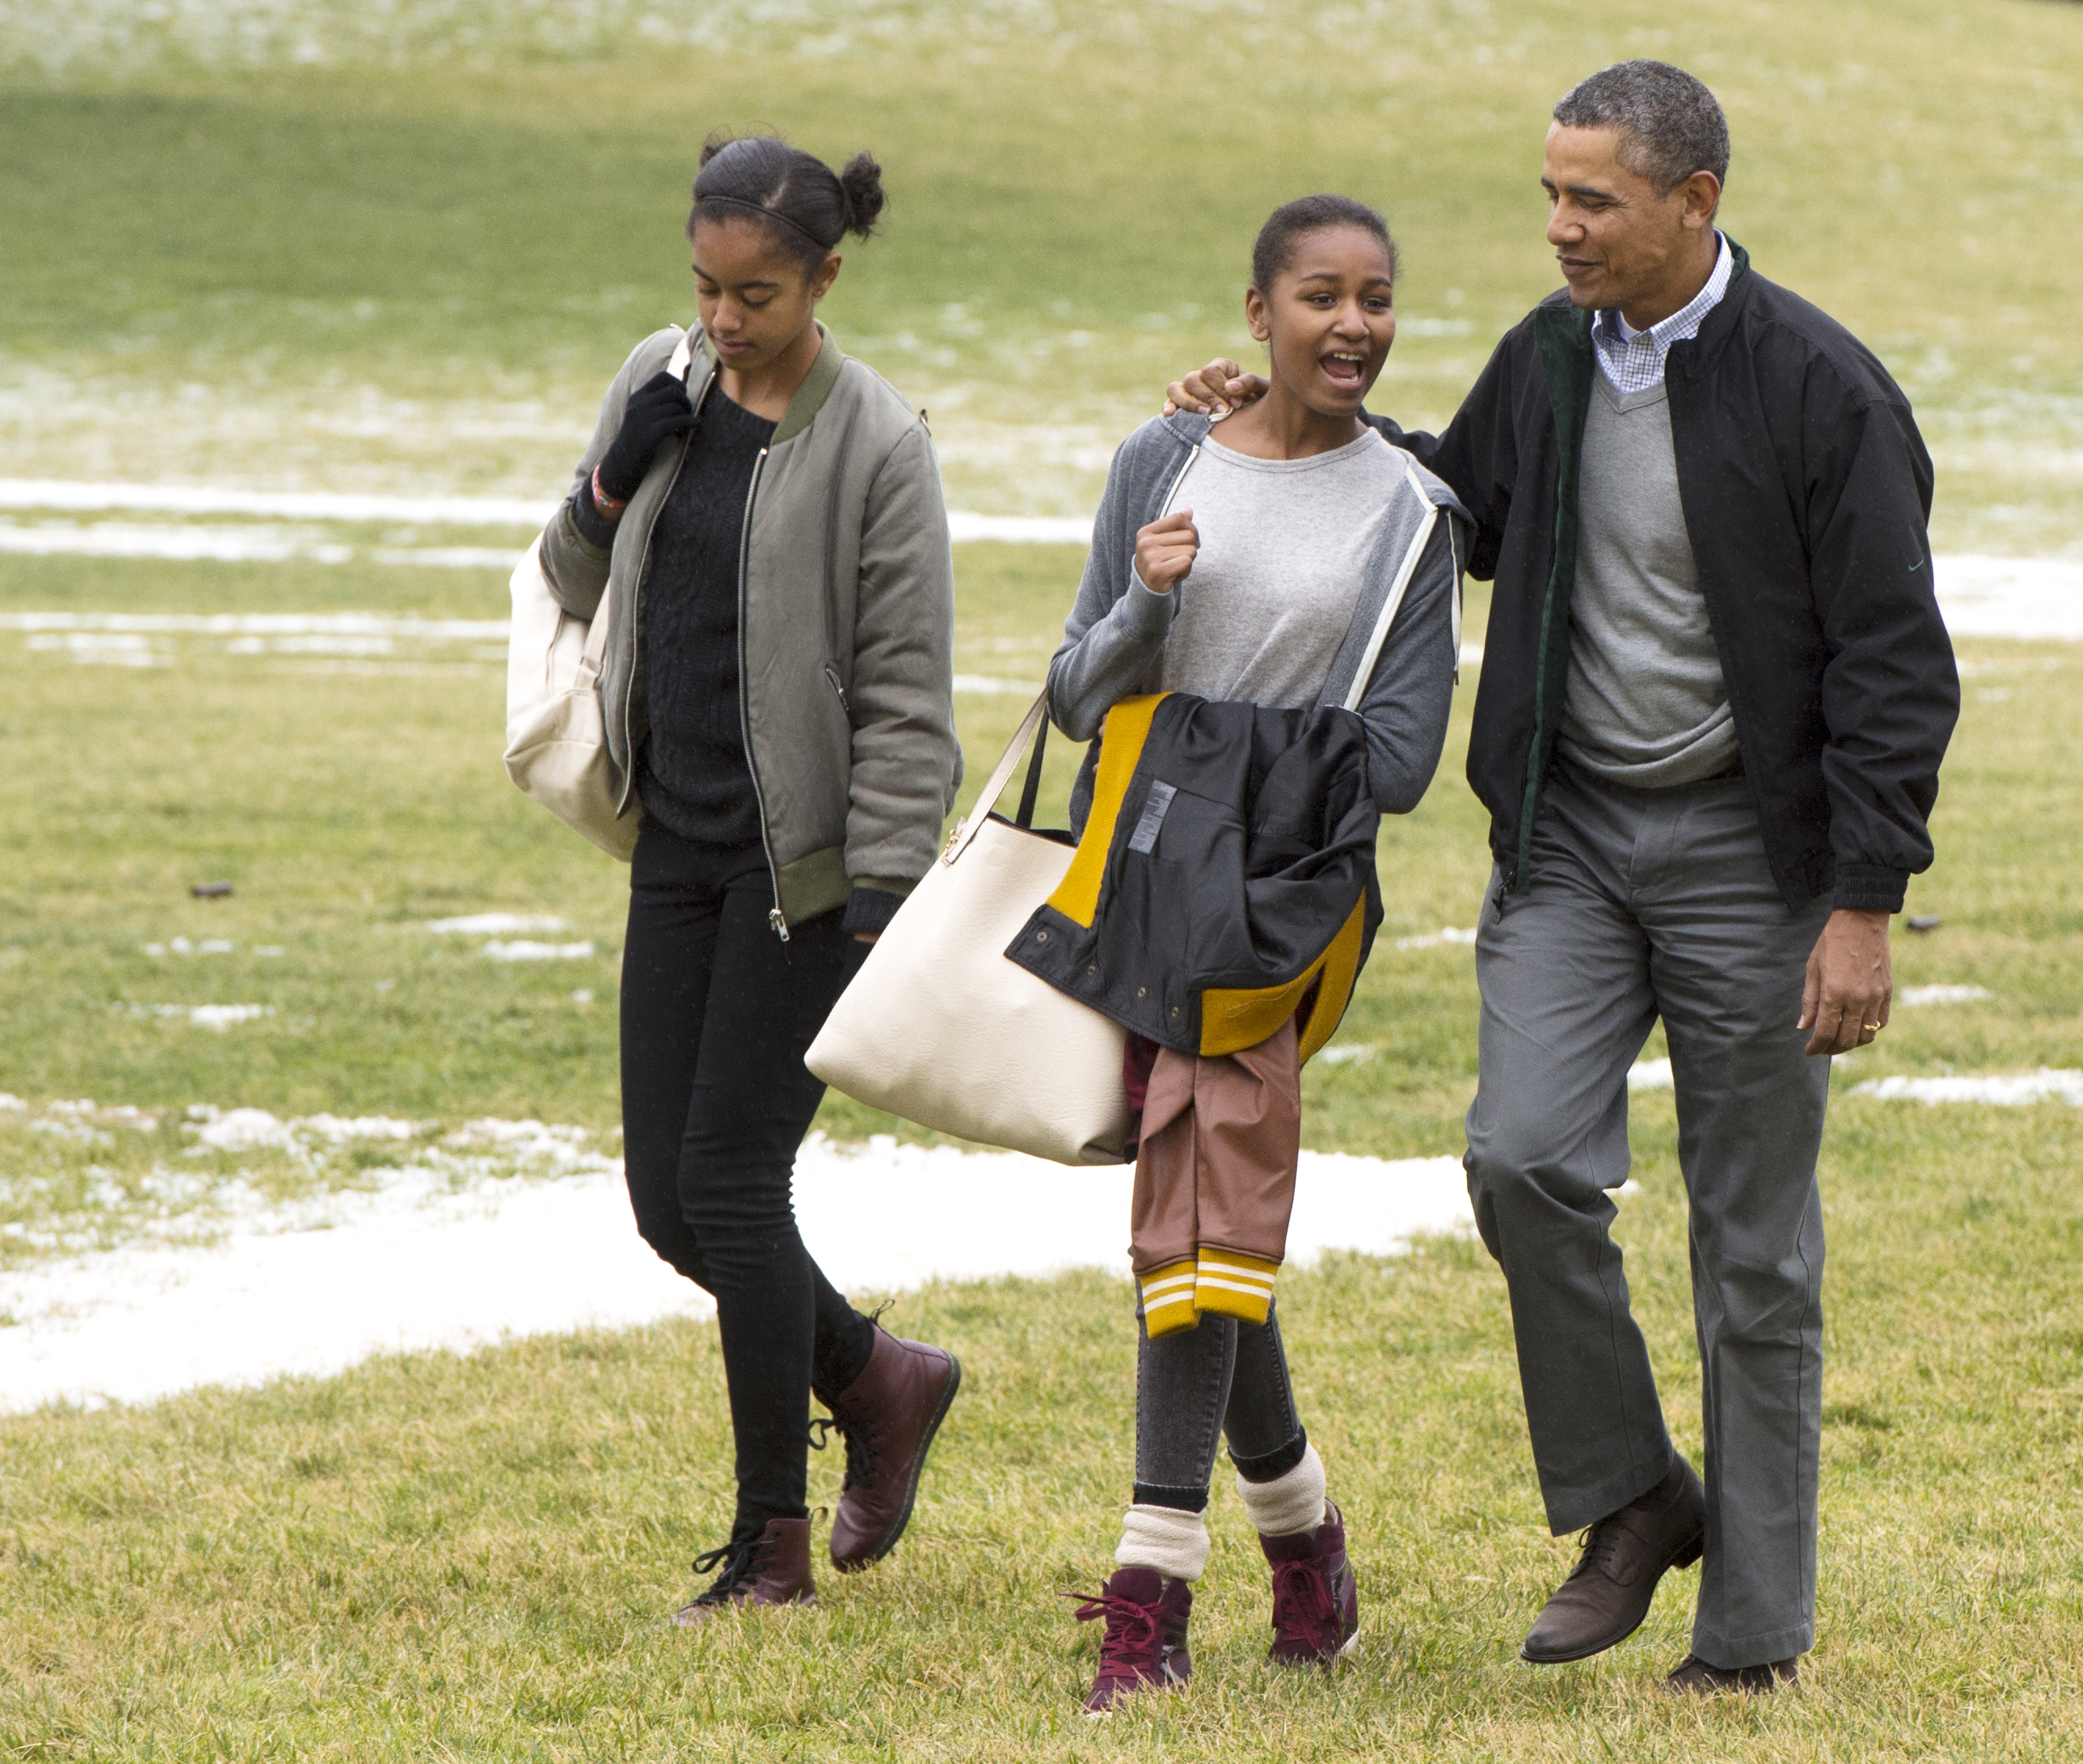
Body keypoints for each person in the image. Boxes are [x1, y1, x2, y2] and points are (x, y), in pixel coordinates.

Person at [1167, 63, 1958, 1693]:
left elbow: (1894, 662)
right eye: (1550, 194)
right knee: (1520, 1158)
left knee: (1751, 1246)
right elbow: (1456, 507)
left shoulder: (1822, 390)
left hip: (1759, 856)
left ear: (1694, 202)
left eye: (1591, 199)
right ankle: (1632, 1494)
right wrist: (1283, 427)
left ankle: (1745, 1643)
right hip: (1571, 842)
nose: (1558, 228)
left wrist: (1861, 900)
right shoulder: (1544, 359)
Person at [537, 134, 966, 1624]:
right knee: (669, 1206)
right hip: (677, 846)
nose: (723, 321)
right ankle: (876, 1374)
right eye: (707, 288)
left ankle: (771, 1546)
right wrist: (614, 472)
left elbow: (911, 696)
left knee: (729, 1178)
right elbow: (571, 572)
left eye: (758, 295)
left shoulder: (880, 445)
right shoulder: (663, 378)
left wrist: (888, 896)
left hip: (813, 874)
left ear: (825, 278)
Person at [1045, 194, 1465, 1714]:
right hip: (1141, 882)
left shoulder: (1411, 511)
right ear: (1255, 313)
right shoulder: (1158, 462)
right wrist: (1148, 607)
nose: (1349, 323)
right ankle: (1307, 1543)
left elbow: (1405, 757)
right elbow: (1079, 689)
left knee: (1192, 1193)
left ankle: (1147, 1594)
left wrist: (1215, 756)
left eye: (1374, 298)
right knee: (1207, 1193)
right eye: (1317, 297)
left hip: (1284, 906)